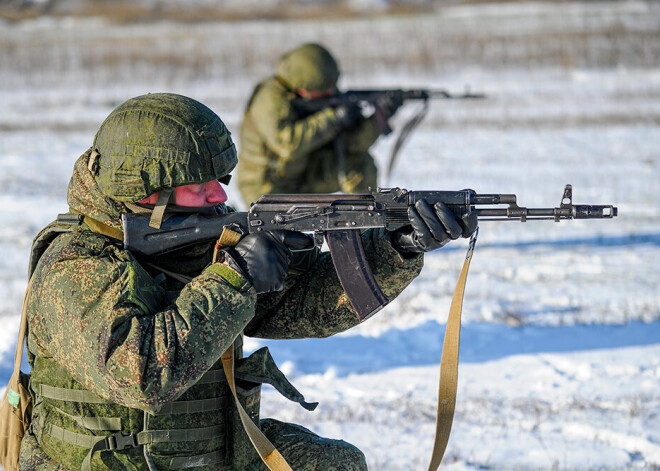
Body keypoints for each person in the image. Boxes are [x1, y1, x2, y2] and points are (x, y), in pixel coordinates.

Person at [20, 93, 476, 470]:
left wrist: (394, 247)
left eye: (221, 180)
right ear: (145, 193)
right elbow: (141, 375)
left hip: (211, 445)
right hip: (108, 461)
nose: (220, 195)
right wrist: (235, 278)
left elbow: (301, 306)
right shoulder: (74, 266)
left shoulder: (199, 233)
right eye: (200, 186)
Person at [237, 43, 403, 206]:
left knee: (360, 164)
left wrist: (378, 119)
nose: (330, 94)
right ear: (303, 88)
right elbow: (287, 144)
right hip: (268, 185)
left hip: (308, 174)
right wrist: (332, 118)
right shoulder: (270, 99)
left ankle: (367, 225)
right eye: (323, 92)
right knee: (280, 233)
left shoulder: (324, 97)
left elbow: (353, 145)